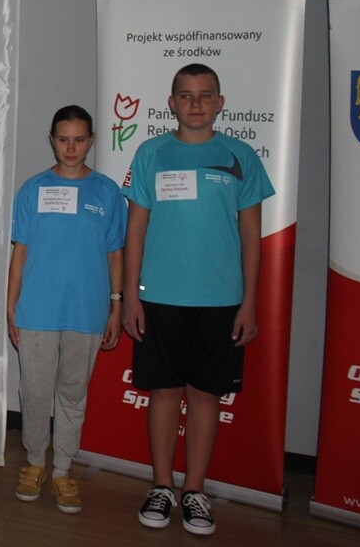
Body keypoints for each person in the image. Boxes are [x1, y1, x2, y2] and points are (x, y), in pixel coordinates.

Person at [122, 64, 274, 536]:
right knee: (165, 392)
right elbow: (136, 230)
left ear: (220, 103)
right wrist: (129, 297)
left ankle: (194, 491)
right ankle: (161, 486)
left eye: (205, 95)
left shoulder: (240, 155)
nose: (195, 103)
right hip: (158, 296)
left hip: (221, 299)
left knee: (205, 395)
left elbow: (251, 236)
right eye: (186, 95)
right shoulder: (150, 153)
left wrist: (249, 303)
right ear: (171, 103)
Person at [8, 105, 126, 514]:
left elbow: (115, 253)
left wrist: (116, 305)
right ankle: (34, 462)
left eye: (79, 139)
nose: (71, 147)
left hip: (87, 312)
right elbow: (20, 253)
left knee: (73, 394)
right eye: (63, 139)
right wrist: (11, 306)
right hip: (37, 310)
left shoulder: (107, 192)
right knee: (35, 392)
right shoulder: (33, 189)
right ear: (52, 140)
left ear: (91, 141)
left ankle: (62, 470)